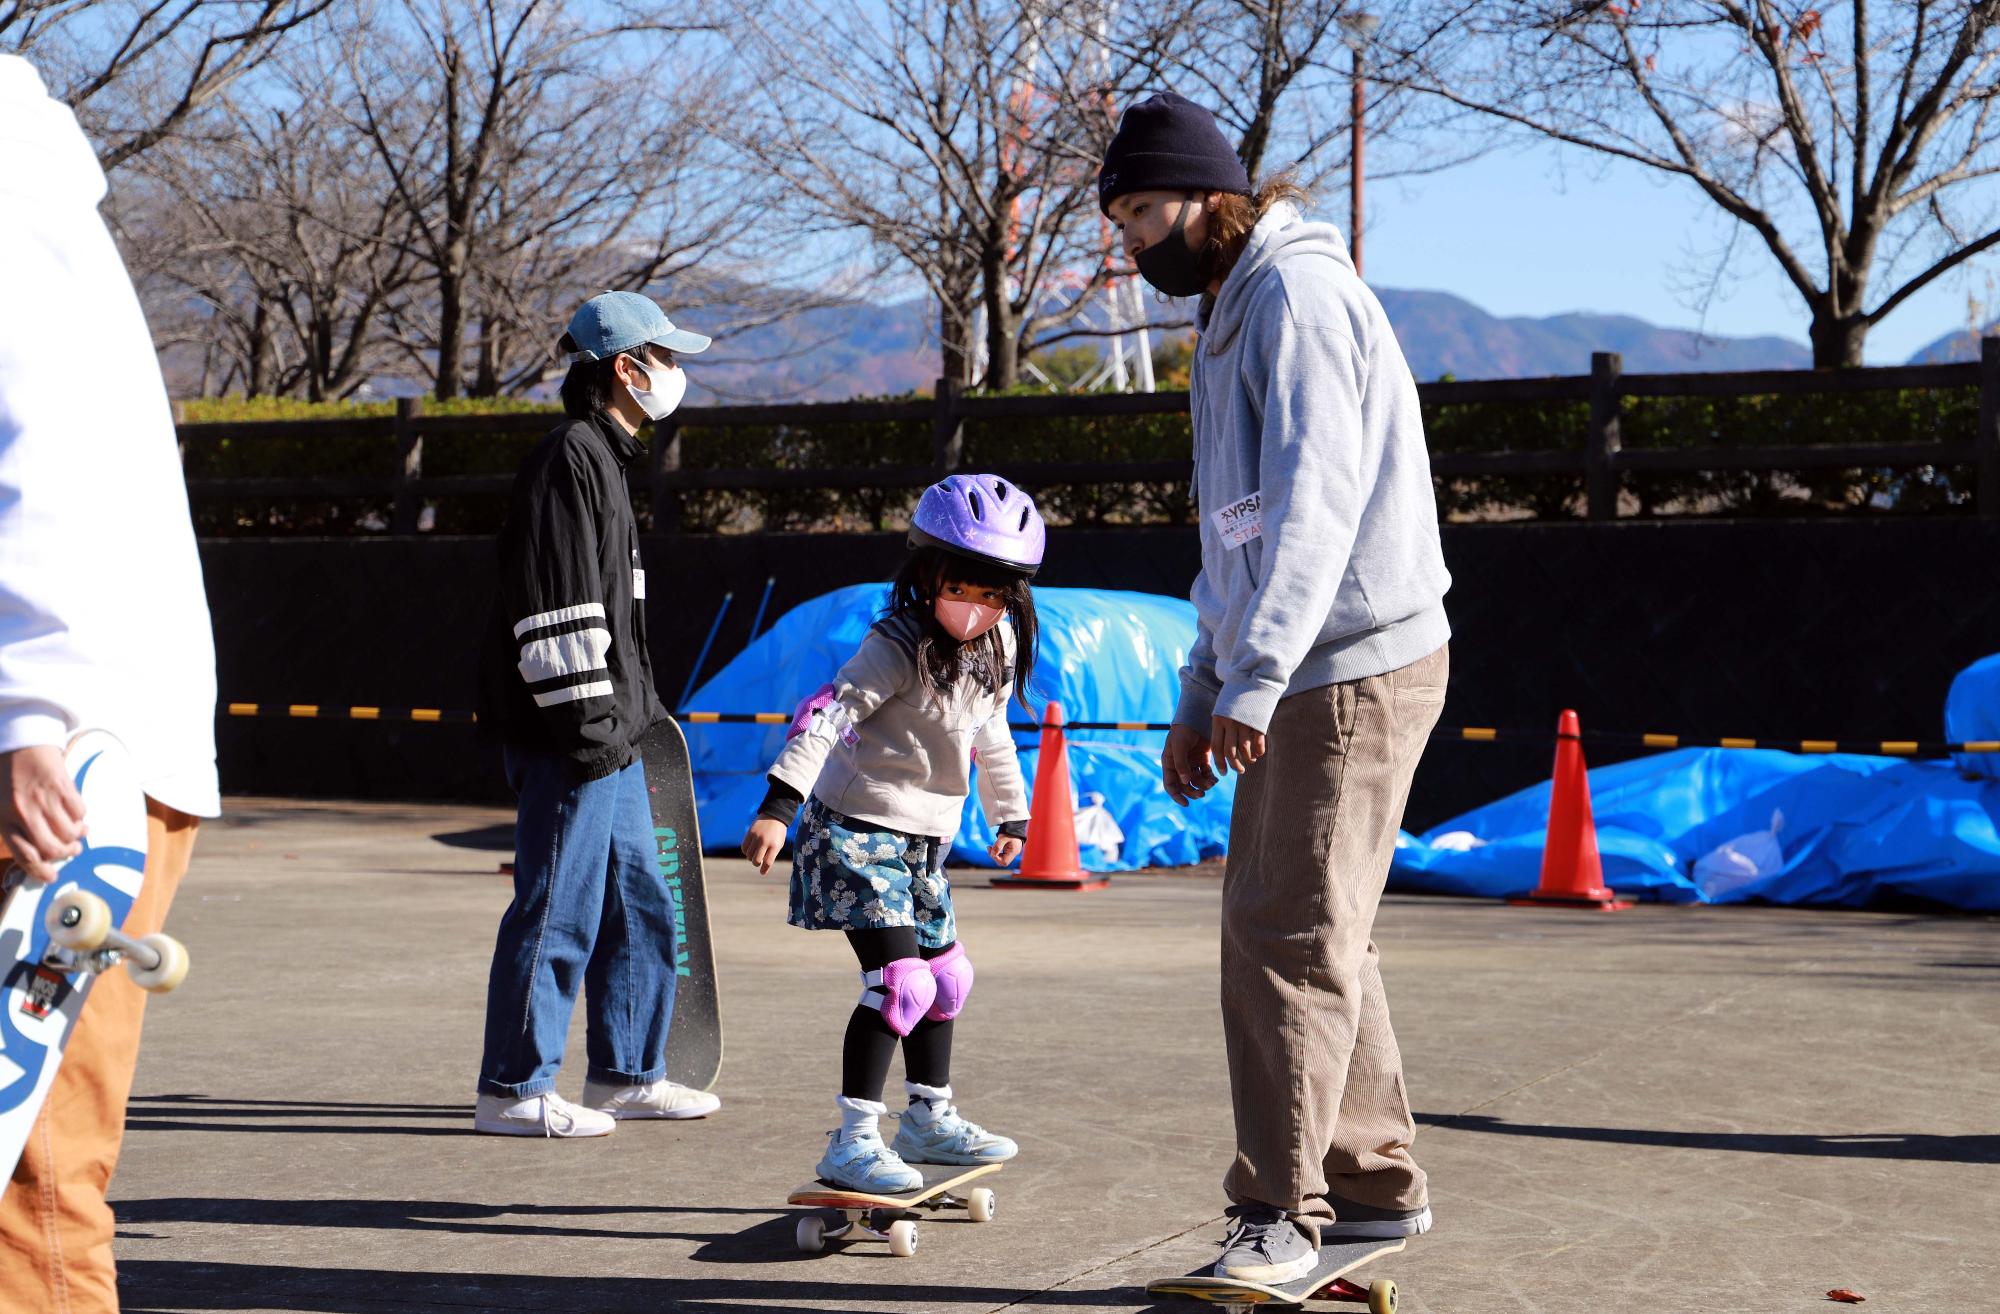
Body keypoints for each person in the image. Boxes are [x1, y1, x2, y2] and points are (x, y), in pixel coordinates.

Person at [1100, 92, 1453, 1284]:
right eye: (1117, 220)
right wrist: (1206, 679)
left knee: (1279, 934)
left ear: (1211, 197)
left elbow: (1314, 507)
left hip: (1349, 662)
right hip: (1301, 661)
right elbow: (1233, 532)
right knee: (1310, 925)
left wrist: (1252, 677)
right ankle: (1367, 1184)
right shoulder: (1228, 316)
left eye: (1143, 210)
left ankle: (1281, 1217)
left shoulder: (1294, 297)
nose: (1132, 240)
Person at [0, 53, 220, 1313]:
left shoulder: (11, 203)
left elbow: (49, 449)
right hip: (74, 722)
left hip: (62, 748)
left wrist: (32, 709)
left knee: (33, 1172)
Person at [740, 475, 1039, 1191]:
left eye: (996, 594)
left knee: (945, 981)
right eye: (963, 587)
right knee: (898, 984)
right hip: (855, 831)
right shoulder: (895, 643)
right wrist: (779, 807)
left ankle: (929, 1120)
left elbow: (991, 732)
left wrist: (1011, 812)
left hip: (923, 842)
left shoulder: (994, 645)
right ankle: (853, 1141)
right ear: (929, 572)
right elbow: (828, 713)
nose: (977, 607)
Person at [472, 290, 722, 1136]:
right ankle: (513, 1089)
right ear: (626, 367)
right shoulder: (571, 458)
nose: (677, 375)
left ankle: (625, 1073)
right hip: (571, 735)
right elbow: (556, 609)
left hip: (607, 733)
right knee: (558, 905)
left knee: (640, 898)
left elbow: (618, 615)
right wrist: (592, 730)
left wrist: (636, 719)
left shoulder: (604, 459)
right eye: (669, 359)